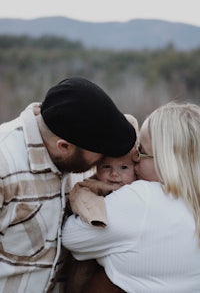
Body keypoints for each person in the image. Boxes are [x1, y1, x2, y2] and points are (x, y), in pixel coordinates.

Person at [0, 76, 136, 293]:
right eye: (100, 154)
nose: (104, 162)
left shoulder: (78, 164)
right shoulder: (5, 163)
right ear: (64, 146)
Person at [62, 102, 200, 293]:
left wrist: (109, 255)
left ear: (166, 161)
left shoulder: (143, 198)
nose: (134, 158)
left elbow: (72, 237)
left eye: (141, 151)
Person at [63, 114, 139, 293]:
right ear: (97, 168)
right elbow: (83, 200)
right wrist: (96, 217)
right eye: (106, 167)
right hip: (93, 245)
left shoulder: (139, 190)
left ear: (135, 168)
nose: (114, 175)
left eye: (123, 168)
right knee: (80, 279)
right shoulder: (91, 185)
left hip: (123, 258)